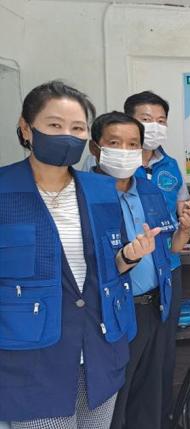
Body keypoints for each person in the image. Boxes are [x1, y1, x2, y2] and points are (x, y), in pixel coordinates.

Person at [0, 81, 158, 429]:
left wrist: (130, 257)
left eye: (77, 128)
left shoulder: (101, 189)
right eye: (55, 125)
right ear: (26, 128)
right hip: (32, 359)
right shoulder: (4, 189)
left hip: (100, 349)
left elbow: (109, 268)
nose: (67, 136)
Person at [87, 111, 190, 429]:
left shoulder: (149, 191)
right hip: (111, 312)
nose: (125, 151)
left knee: (149, 391)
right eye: (114, 143)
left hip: (154, 305)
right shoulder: (84, 193)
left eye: (132, 144)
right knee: (114, 396)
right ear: (95, 148)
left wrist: (185, 229)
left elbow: (170, 248)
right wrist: (126, 258)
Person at [123, 91, 190, 426]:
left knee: (161, 355)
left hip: (167, 269)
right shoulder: (109, 166)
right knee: (127, 359)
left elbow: (185, 214)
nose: (154, 126)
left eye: (161, 120)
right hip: (127, 272)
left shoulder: (170, 166)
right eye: (146, 119)